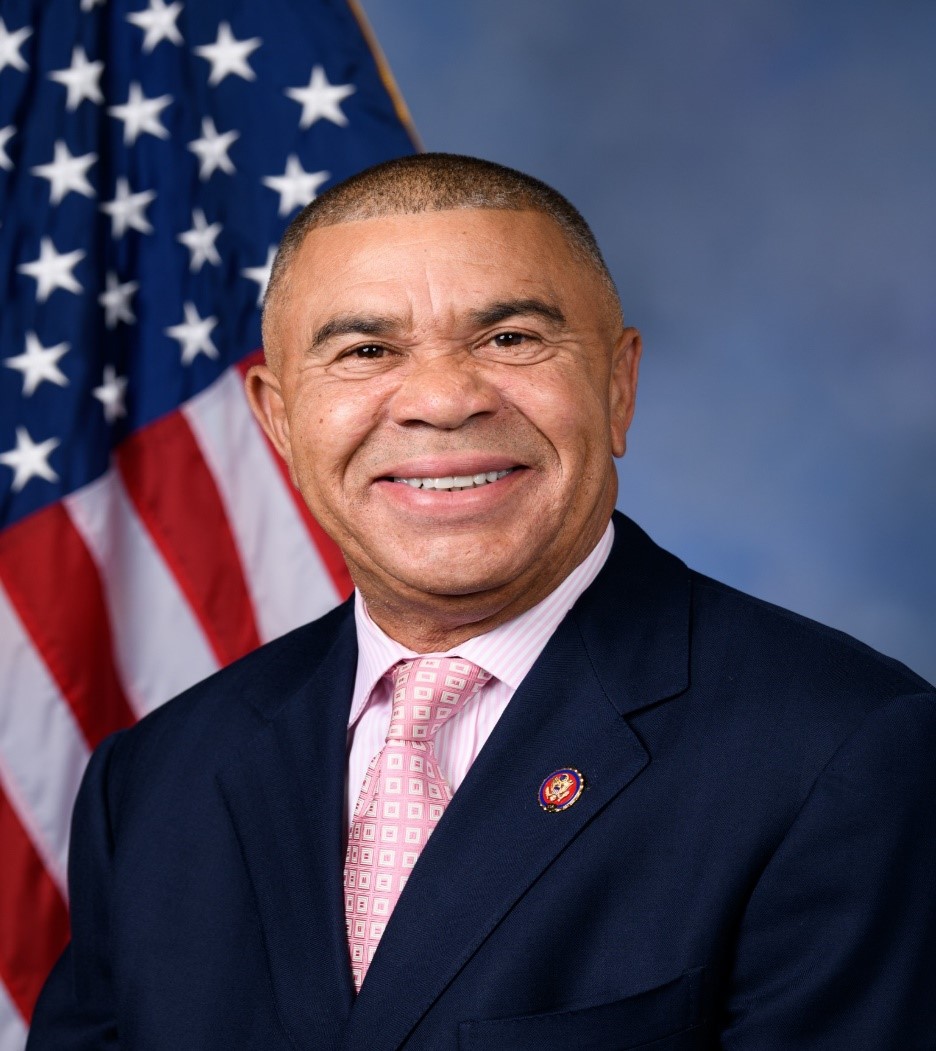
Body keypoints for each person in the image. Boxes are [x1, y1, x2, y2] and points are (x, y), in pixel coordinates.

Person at [28, 154, 936, 1050]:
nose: (442, 400)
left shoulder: (843, 750)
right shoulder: (153, 778)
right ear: (278, 418)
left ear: (618, 385)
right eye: (367, 351)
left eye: (510, 338)